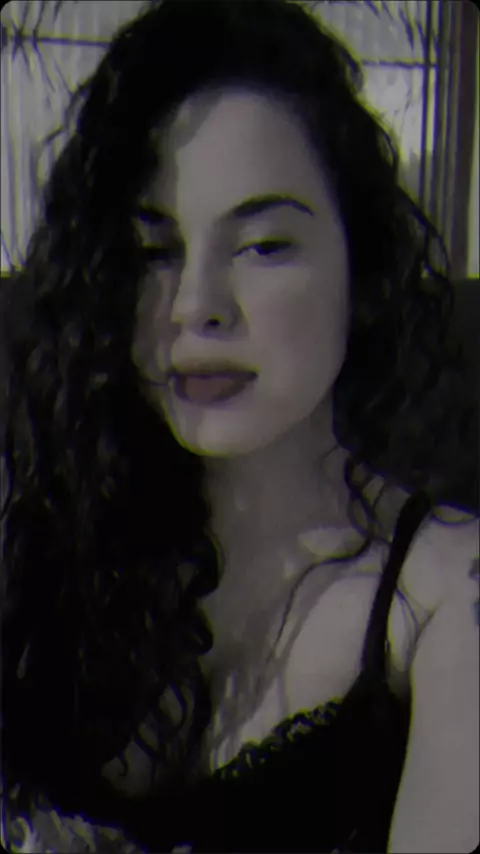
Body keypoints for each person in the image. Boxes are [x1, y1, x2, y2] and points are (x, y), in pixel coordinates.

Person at [1, 1, 478, 852]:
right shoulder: (49, 532)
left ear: (360, 265)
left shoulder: (448, 596)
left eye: (263, 246)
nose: (197, 307)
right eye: (154, 252)